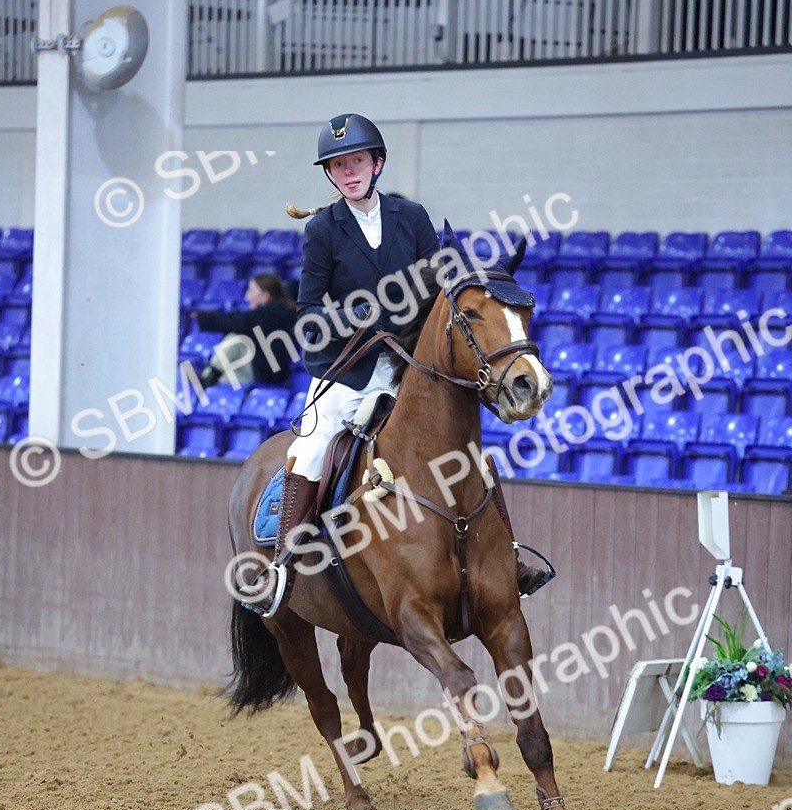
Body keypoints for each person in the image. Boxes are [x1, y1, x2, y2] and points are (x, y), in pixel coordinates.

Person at [249, 112, 549, 614]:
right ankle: (282, 565)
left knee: (463, 445)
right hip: (347, 368)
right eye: (338, 165)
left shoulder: (411, 218)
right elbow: (307, 310)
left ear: (377, 163)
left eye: (357, 161)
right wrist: (354, 313)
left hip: (407, 364)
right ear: (330, 174)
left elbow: (437, 289)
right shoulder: (323, 229)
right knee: (312, 445)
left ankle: (508, 557)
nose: (348, 172)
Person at [194, 273, 295, 387]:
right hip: (267, 371)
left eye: (251, 290)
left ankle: (208, 378)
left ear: (265, 295)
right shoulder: (277, 313)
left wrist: (204, 317)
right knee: (224, 378)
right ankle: (209, 380)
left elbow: (239, 322)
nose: (247, 296)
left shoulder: (269, 316)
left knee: (236, 338)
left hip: (268, 375)